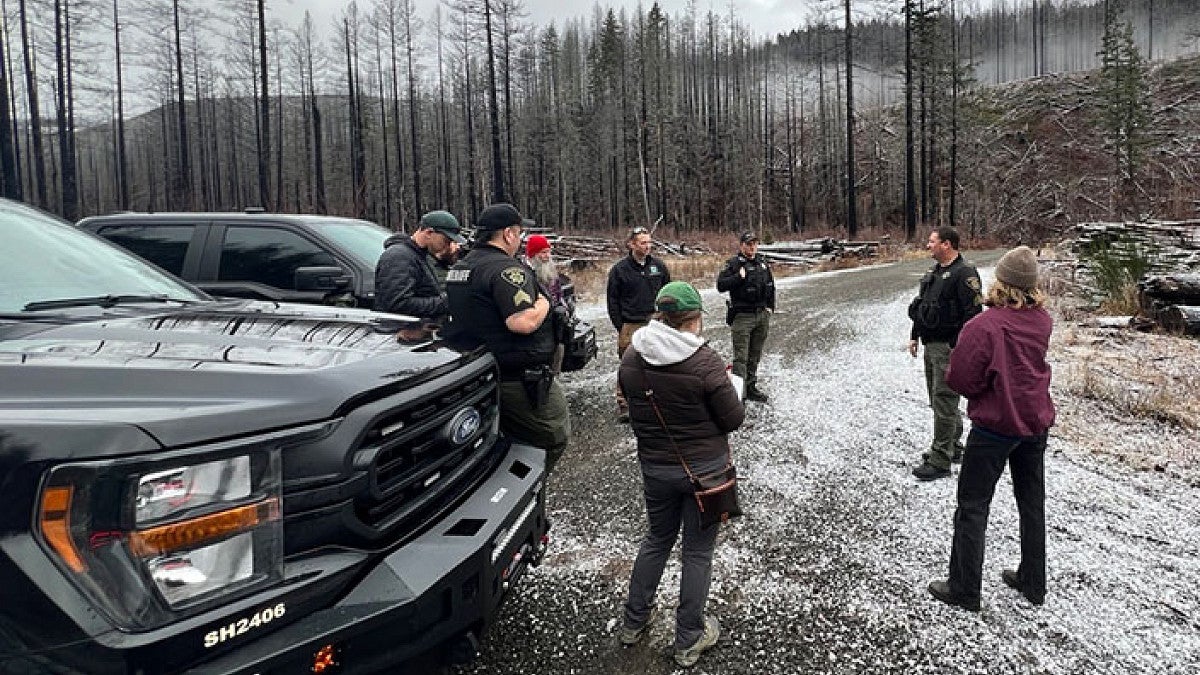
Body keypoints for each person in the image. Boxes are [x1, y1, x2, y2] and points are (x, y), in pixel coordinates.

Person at [616, 281, 744, 668]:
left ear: (660, 314)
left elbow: (628, 406)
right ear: (694, 318)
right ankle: (689, 638)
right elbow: (733, 418)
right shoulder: (704, 361)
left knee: (656, 539)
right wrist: (728, 387)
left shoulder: (632, 355)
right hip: (704, 473)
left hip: (655, 467)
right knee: (698, 551)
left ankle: (632, 623)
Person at [927, 246, 1055, 612]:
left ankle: (965, 588)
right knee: (1032, 503)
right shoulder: (1042, 320)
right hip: (1034, 423)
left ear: (1002, 282)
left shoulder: (984, 326)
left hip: (995, 427)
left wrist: (984, 386)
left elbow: (961, 378)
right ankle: (1034, 580)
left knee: (972, 506)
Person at [442, 203, 569, 471]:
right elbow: (521, 322)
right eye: (520, 233)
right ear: (508, 234)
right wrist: (544, 302)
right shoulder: (506, 270)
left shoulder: (460, 268)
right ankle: (527, 492)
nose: (521, 240)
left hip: (478, 370)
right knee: (552, 435)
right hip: (518, 378)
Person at [907, 226, 984, 481]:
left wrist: (959, 346)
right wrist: (914, 335)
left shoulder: (965, 274)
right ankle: (953, 446)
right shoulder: (933, 272)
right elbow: (922, 307)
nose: (928, 245)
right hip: (931, 344)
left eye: (932, 242)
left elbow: (973, 316)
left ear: (947, 244)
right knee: (938, 399)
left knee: (944, 401)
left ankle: (940, 459)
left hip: (948, 347)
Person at [607, 226, 671, 422]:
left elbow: (668, 291)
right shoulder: (620, 270)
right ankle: (624, 405)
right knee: (629, 365)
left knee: (657, 362)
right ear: (631, 244)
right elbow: (612, 301)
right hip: (630, 324)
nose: (647, 246)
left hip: (655, 322)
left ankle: (657, 401)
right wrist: (621, 325)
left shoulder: (658, 267)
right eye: (643, 243)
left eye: (649, 242)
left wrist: (665, 318)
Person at [375, 210, 466, 323]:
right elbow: (397, 305)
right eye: (447, 240)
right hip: (400, 333)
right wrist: (448, 302)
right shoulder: (400, 257)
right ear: (429, 233)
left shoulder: (419, 255)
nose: (449, 245)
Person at [716, 231, 776, 402]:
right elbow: (720, 285)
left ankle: (750, 387)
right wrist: (738, 278)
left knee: (755, 354)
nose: (752, 247)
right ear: (742, 245)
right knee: (741, 357)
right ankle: (738, 393)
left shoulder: (762, 263)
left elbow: (771, 286)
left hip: (761, 314)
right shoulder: (733, 264)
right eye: (749, 244)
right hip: (742, 316)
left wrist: (770, 307)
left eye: (755, 244)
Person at [524, 234, 573, 374]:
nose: (547, 256)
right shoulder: (524, 273)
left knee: (556, 364)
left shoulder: (551, 272)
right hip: (536, 334)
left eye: (548, 252)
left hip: (555, 330)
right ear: (533, 254)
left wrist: (565, 309)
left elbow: (559, 296)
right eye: (543, 252)